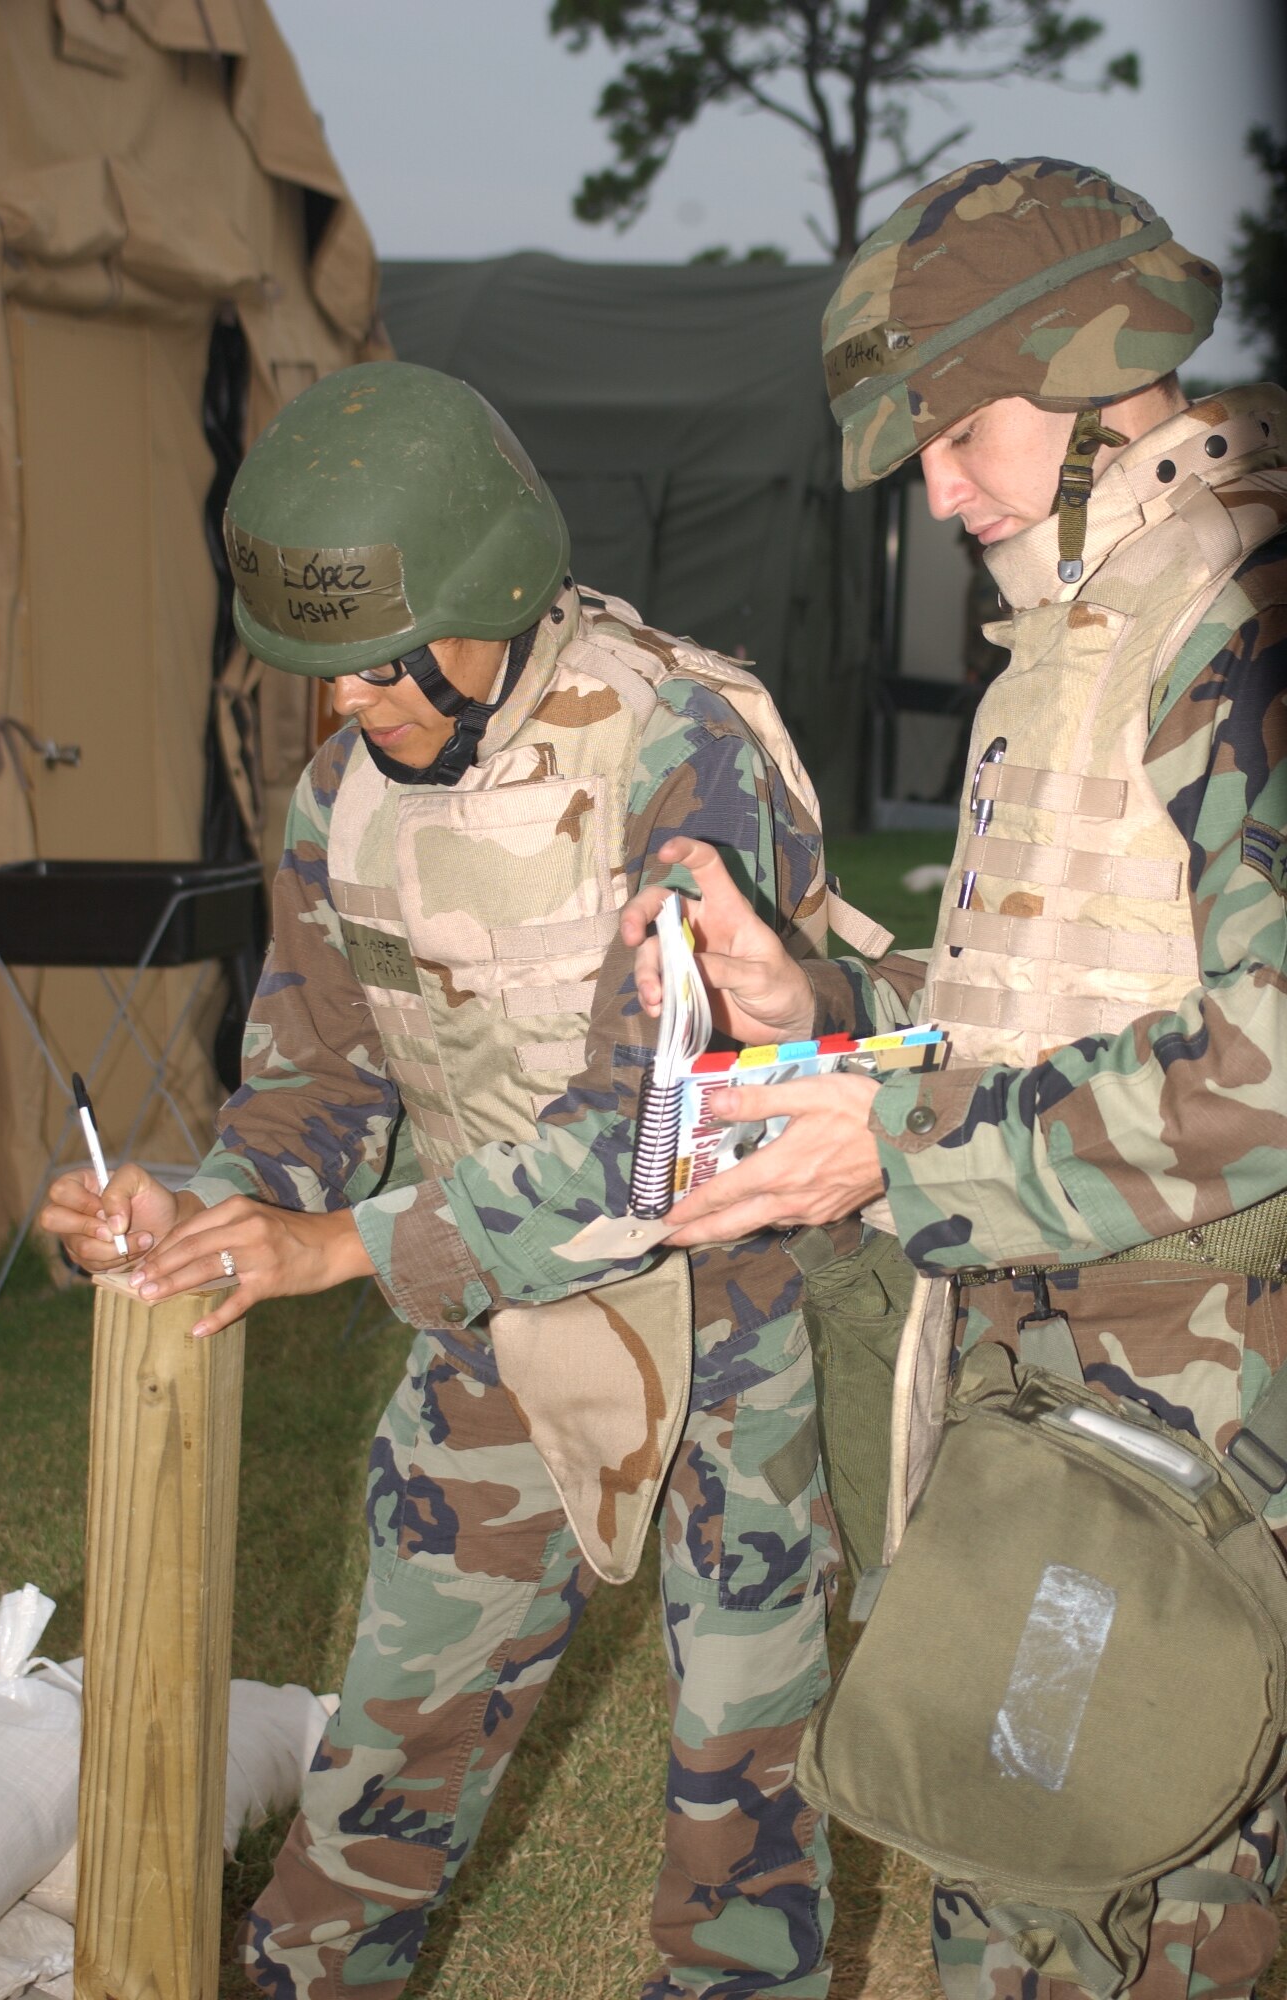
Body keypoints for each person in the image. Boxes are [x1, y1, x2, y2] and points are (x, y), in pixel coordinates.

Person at [40, 359, 869, 2000]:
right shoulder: (342, 798)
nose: (346, 706)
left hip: (742, 1310)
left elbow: (671, 1133)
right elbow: (323, 1077)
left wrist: (330, 1249)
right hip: (494, 1306)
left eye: (374, 667)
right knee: (382, 1775)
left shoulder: (679, 744)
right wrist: (206, 1208)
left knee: (742, 1798)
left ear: (487, 593)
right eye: (318, 674)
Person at [622, 156, 1287, 2000]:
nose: (933, 478)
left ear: (1090, 373)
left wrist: (896, 1156)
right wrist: (822, 995)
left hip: (1208, 1433)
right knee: (1019, 1869)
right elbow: (1044, 1018)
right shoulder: (1079, 634)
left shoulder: (1235, 628)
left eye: (958, 426)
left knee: (1149, 1896)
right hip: (1057, 1400)